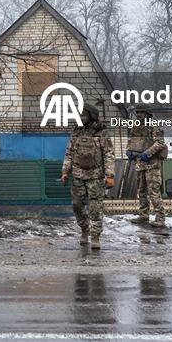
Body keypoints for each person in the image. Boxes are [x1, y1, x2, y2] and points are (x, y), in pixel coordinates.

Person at [61, 102, 115, 249]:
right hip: (78, 175)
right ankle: (85, 229)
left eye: (83, 115)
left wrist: (110, 175)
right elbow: (69, 153)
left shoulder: (101, 133)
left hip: (95, 176)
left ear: (91, 116)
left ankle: (95, 236)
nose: (81, 117)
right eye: (79, 115)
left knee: (95, 208)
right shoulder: (76, 131)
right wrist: (65, 171)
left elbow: (108, 154)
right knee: (77, 205)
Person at [126, 107, 168, 228]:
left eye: (142, 112)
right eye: (138, 112)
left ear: (147, 113)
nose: (139, 114)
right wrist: (128, 151)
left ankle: (160, 217)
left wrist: (147, 153)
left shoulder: (155, 125)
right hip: (139, 163)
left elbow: (160, 143)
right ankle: (143, 214)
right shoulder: (136, 126)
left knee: (153, 191)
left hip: (152, 164)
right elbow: (131, 140)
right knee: (141, 190)